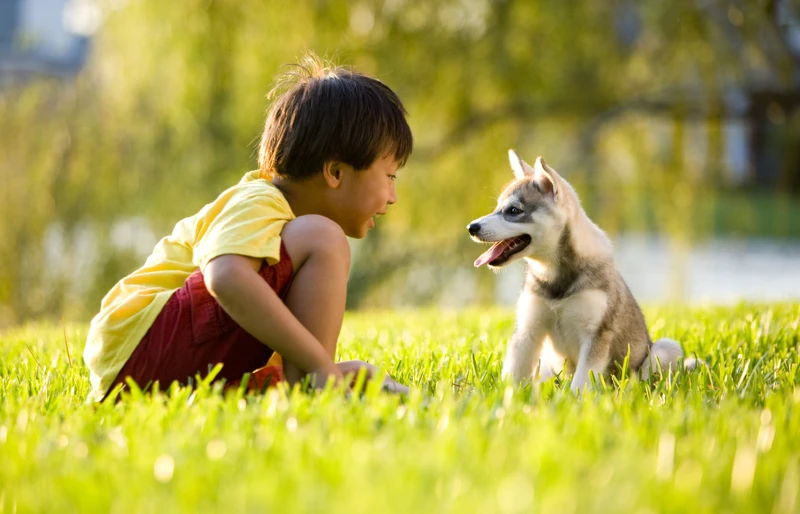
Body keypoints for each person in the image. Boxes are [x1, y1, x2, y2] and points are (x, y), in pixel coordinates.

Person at [83, 53, 413, 402]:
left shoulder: (286, 238)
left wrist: (325, 369)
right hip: (141, 348)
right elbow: (224, 276)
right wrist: (320, 366)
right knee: (325, 238)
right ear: (334, 172)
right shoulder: (260, 199)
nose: (392, 196)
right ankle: (318, 387)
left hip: (149, 374)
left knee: (346, 370)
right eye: (390, 176)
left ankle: (309, 389)